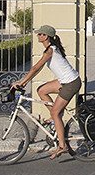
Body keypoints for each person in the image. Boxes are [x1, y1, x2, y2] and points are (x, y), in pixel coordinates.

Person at [11, 24, 81, 159]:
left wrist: (22, 82)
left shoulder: (50, 51)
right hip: (65, 81)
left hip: (71, 83)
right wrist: (24, 82)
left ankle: (62, 146)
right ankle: (56, 119)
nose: (38, 35)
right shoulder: (50, 49)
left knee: (55, 112)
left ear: (46, 36)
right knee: (41, 90)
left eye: (40, 34)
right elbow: (37, 69)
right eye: (38, 34)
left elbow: (36, 68)